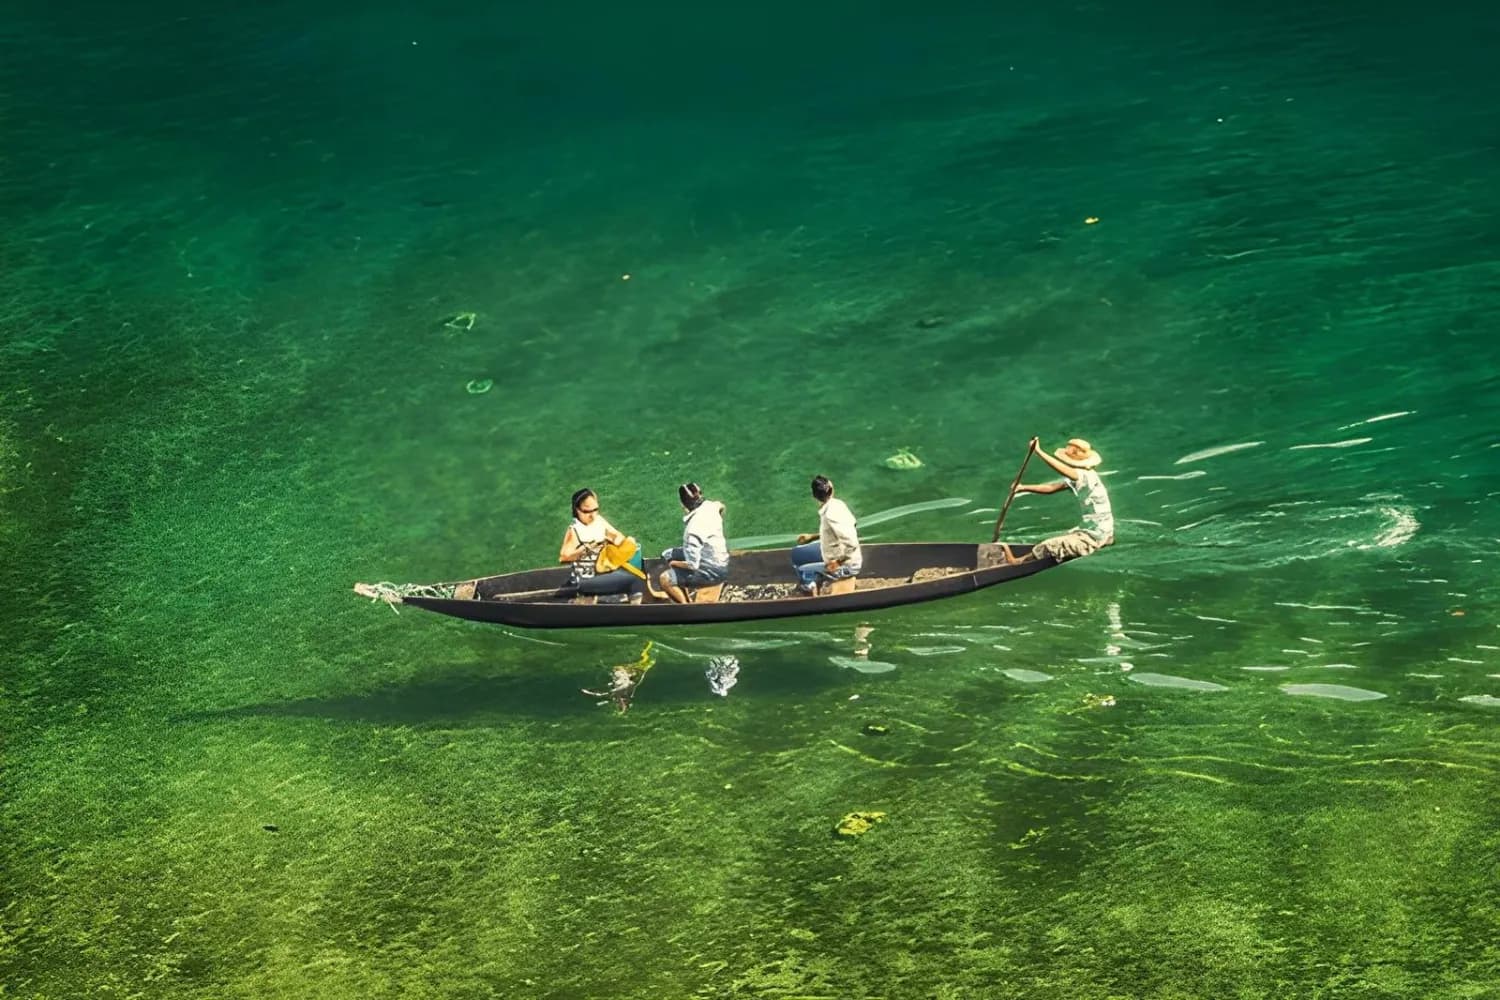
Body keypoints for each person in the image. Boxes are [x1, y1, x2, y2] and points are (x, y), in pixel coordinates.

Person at [1001, 437, 1115, 564]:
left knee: (1049, 545)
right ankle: (1103, 539)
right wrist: (1023, 487)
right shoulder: (1086, 475)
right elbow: (1051, 488)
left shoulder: (1082, 475)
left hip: (1095, 534)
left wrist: (1039, 451)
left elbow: (1062, 470)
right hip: (1098, 528)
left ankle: (1017, 562)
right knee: (1067, 536)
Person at [559, 488, 646, 602]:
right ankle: (633, 613)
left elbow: (617, 536)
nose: (593, 515)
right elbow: (564, 556)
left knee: (636, 574)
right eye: (587, 511)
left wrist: (620, 541)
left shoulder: (599, 521)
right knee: (634, 581)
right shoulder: (575, 530)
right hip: (584, 578)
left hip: (603, 573)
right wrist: (585, 549)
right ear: (577, 510)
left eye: (595, 510)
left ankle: (618, 602)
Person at [654, 482, 729, 604]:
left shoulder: (692, 531)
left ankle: (686, 606)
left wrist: (674, 563)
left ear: (683, 505)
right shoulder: (711, 506)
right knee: (667, 554)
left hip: (711, 570)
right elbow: (721, 506)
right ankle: (685, 591)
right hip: (718, 556)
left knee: (665, 578)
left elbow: (693, 565)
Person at [790, 475, 862, 596]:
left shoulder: (830, 514)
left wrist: (838, 563)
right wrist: (812, 537)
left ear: (814, 496)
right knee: (798, 553)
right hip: (844, 556)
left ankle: (811, 595)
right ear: (831, 489)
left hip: (847, 565)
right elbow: (849, 527)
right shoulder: (838, 504)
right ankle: (818, 582)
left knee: (803, 571)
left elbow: (852, 543)